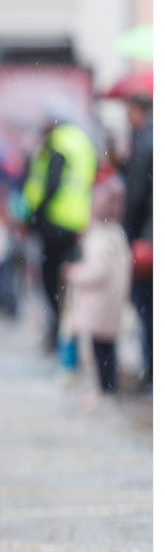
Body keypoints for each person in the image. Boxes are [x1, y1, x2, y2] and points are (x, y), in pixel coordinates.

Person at [21, 111, 97, 353]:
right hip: (75, 221)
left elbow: (51, 183)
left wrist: (35, 214)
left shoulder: (59, 143)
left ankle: (60, 332)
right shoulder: (81, 141)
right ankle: (66, 334)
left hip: (53, 223)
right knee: (66, 279)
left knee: (51, 280)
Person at [62, 177, 132, 403]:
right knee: (108, 348)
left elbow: (97, 270)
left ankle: (104, 390)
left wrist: (74, 272)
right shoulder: (118, 235)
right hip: (111, 303)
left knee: (98, 350)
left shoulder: (97, 238)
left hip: (98, 305)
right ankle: (108, 388)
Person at [120, 88, 151, 388]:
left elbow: (137, 197)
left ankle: (151, 370)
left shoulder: (144, 143)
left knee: (147, 307)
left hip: (146, 239)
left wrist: (130, 235)